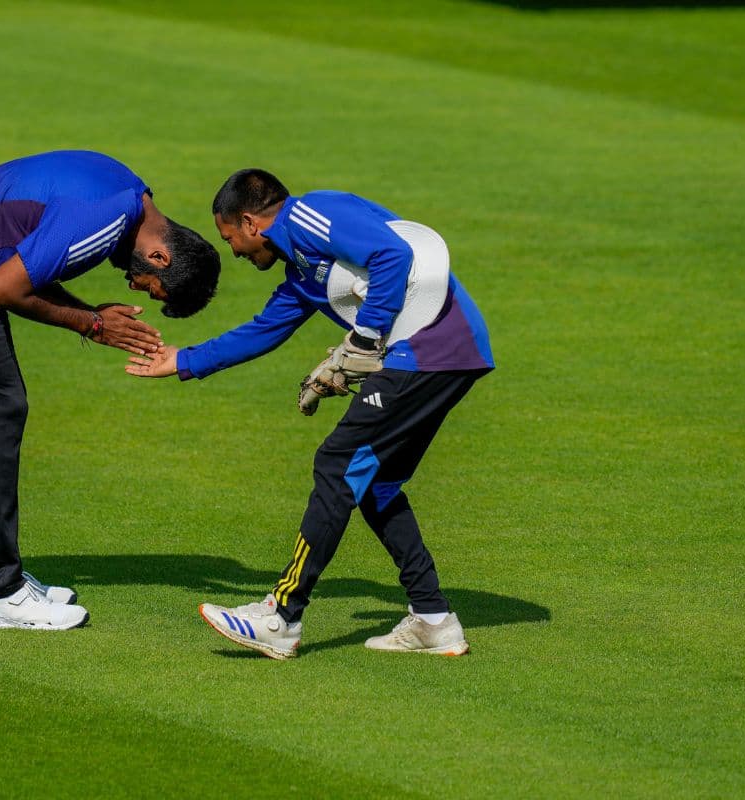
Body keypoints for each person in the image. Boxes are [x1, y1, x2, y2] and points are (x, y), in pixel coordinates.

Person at [126, 169, 493, 658]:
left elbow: (392, 255)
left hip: (429, 352)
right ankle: (432, 619)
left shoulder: (310, 214)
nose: (234, 250)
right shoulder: (301, 274)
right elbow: (264, 329)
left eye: (230, 237)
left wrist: (364, 339)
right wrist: (185, 361)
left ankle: (282, 617)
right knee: (375, 483)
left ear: (251, 222)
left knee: (336, 465)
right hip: (445, 355)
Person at [0, 150, 220, 630]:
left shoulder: (129, 194)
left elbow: (30, 267)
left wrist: (90, 315)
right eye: (148, 286)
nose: (133, 285)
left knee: (0, 412)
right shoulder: (107, 220)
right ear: (160, 256)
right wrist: (92, 324)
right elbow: (4, 289)